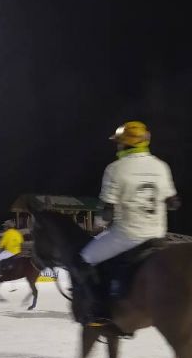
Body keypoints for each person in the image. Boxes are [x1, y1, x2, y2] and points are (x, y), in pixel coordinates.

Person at [77, 121, 180, 325]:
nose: (117, 146)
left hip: (127, 236)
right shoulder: (161, 166)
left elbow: (106, 211)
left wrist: (97, 226)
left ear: (125, 144)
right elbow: (173, 203)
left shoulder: (115, 169)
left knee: (85, 258)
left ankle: (100, 311)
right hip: (158, 235)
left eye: (119, 143)